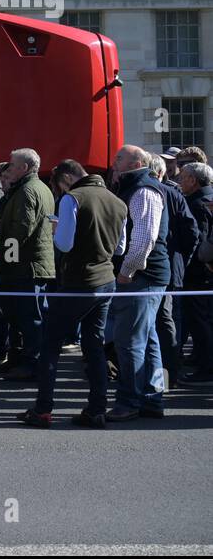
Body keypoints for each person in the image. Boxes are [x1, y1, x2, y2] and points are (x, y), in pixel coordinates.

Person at [18, 161, 127, 428]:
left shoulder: (72, 198)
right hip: (106, 280)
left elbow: (65, 244)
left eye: (58, 184)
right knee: (94, 346)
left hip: (79, 282)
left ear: (67, 178)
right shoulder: (118, 202)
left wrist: (56, 230)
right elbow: (120, 249)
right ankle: (97, 409)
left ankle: (43, 409)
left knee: (50, 345)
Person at [106, 145, 170, 421]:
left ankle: (130, 400)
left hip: (142, 277)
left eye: (120, 158)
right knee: (148, 339)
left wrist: (127, 273)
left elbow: (144, 239)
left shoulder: (143, 189)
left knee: (129, 341)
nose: (114, 162)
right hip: (147, 275)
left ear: (136, 163)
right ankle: (152, 398)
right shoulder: (137, 187)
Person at [0, 148, 55, 380]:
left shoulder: (27, 191)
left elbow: (20, 231)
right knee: (23, 315)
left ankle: (32, 363)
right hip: (31, 264)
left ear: (24, 168)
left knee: (29, 317)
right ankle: (21, 359)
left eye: (12, 164)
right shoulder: (38, 188)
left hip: (26, 266)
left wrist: (5, 259)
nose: (8, 168)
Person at [146, 153, 198, 386]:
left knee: (161, 321)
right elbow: (191, 232)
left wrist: (179, 256)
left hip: (153, 268)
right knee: (165, 321)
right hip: (168, 266)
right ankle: (166, 375)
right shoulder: (174, 194)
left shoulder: (160, 193)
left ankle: (163, 377)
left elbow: (191, 232)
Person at [178, 161, 213, 384]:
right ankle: (201, 359)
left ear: (193, 180)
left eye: (183, 177)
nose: (180, 181)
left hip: (199, 272)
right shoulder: (204, 200)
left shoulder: (198, 203)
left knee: (200, 322)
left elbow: (200, 240)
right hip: (203, 271)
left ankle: (206, 368)